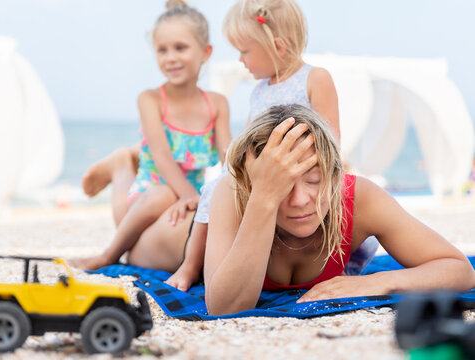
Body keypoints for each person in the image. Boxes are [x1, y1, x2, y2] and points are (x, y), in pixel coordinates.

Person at [203, 104, 475, 315]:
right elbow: (224, 308)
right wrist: (263, 198)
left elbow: (459, 270)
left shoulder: (358, 197)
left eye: (314, 180)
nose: (299, 200)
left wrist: (372, 283)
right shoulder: (233, 193)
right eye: (283, 185)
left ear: (335, 174)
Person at [166, 0, 348, 291]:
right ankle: (190, 265)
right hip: (263, 174)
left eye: (244, 51)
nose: (241, 60)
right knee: (213, 190)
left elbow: (331, 138)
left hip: (302, 171)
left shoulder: (315, 78)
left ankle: (340, 264)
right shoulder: (259, 91)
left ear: (277, 46)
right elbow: (250, 138)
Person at [72, 0, 231, 270]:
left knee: (178, 205)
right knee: (162, 194)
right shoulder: (151, 100)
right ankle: (108, 252)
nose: (170, 57)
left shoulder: (216, 103)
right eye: (162, 50)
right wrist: (190, 195)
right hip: (145, 199)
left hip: (184, 199)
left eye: (180, 48)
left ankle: (126, 158)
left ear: (206, 52)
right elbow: (161, 156)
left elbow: (228, 154)